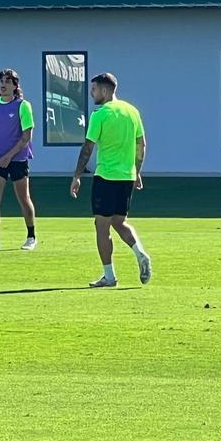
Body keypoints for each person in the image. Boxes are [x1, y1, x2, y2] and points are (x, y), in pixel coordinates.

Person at [70, 73, 152, 288]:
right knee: (119, 221)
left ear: (105, 91)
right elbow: (141, 145)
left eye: (94, 89)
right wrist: (137, 171)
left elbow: (88, 148)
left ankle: (109, 276)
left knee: (102, 226)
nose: (92, 93)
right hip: (126, 177)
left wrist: (77, 176)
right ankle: (140, 253)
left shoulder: (100, 115)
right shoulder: (132, 111)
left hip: (106, 177)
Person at [0, 69, 38, 252]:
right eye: (1, 81)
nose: (3, 85)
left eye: (8, 81)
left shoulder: (23, 106)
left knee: (23, 198)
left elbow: (26, 137)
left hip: (18, 159)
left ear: (15, 86)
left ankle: (31, 236)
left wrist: (9, 156)